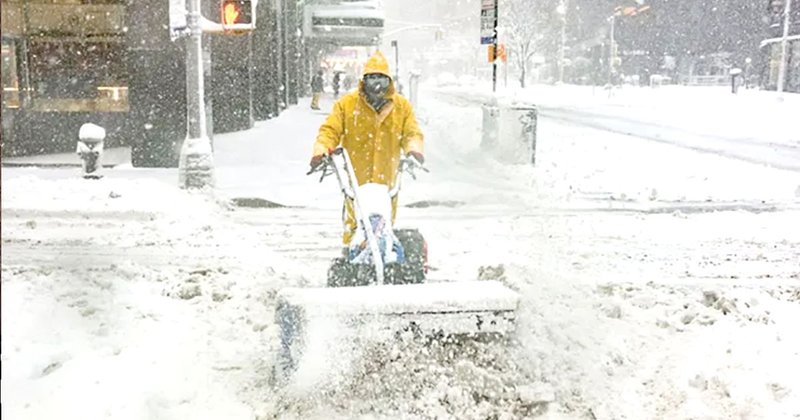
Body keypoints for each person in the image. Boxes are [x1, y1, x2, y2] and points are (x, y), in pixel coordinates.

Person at [309, 51, 424, 247]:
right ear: (364, 81)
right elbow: (330, 130)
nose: (377, 84)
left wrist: (414, 150)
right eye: (372, 79)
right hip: (357, 178)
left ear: (389, 81)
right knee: (354, 221)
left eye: (381, 79)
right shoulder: (347, 105)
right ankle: (351, 251)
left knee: (384, 223)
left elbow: (411, 132)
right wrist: (321, 151)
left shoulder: (401, 107)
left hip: (387, 177)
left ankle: (384, 252)